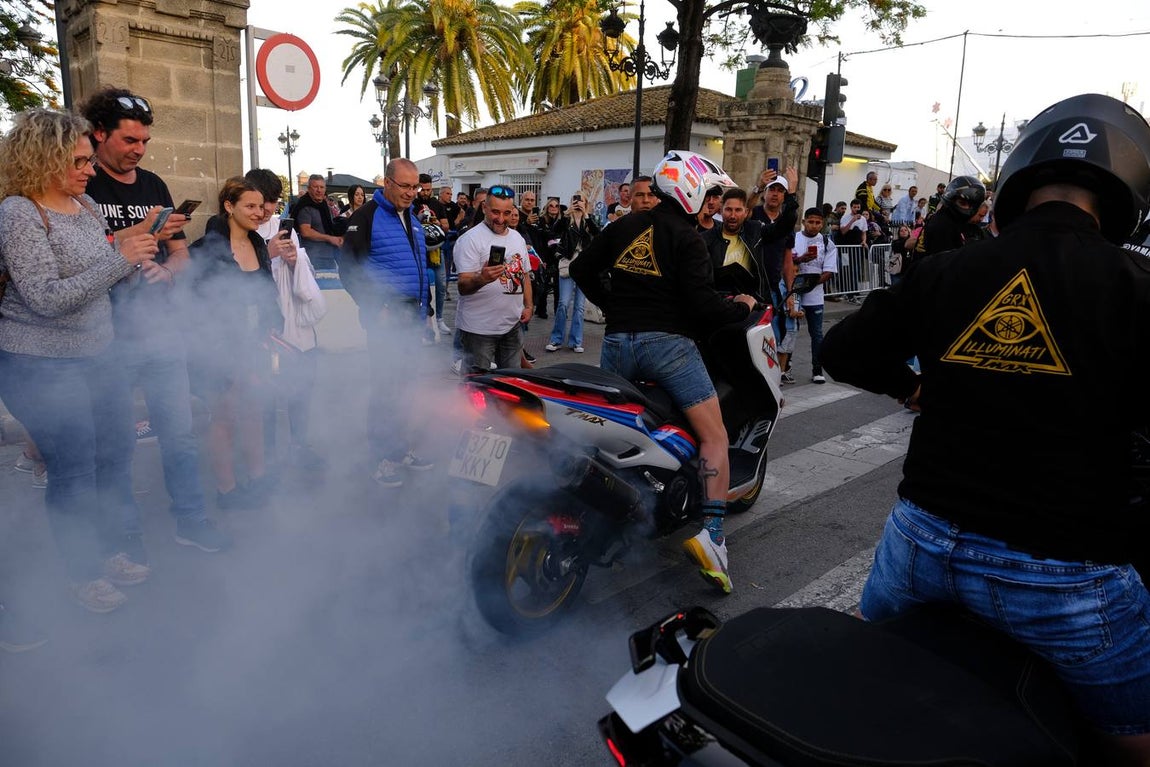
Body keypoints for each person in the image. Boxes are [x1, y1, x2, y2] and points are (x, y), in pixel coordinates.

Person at [821, 93, 1150, 762]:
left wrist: (912, 385)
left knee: (861, 672)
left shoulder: (950, 268)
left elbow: (843, 350)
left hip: (920, 544)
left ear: (1017, 181)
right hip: (1065, 575)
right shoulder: (1135, 282)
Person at [572, 150, 756, 595]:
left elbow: (580, 269)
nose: (712, 202)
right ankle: (712, 536)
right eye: (711, 194)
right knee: (714, 436)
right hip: (668, 348)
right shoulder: (688, 238)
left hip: (617, 346)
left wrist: (614, 306)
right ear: (690, 188)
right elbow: (703, 305)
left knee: (614, 434)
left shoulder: (623, 228)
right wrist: (739, 308)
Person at [0, 108, 159, 612]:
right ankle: (81, 572)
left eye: (90, 160)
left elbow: (103, 279)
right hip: (40, 363)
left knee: (114, 455)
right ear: (43, 159)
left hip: (99, 354)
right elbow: (46, 297)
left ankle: (110, 547)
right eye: (79, 161)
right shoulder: (19, 213)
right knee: (72, 469)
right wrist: (120, 259)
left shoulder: (87, 206)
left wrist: (136, 262)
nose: (91, 171)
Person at [81, 86, 229, 558]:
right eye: (129, 140)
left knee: (180, 435)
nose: (139, 150)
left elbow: (182, 254)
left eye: (144, 141)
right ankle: (123, 538)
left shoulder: (154, 186)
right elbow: (80, 254)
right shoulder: (83, 185)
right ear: (99, 134)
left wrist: (168, 271)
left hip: (160, 333)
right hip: (105, 337)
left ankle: (192, 519)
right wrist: (140, 231)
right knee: (117, 444)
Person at [187, 178, 283, 509]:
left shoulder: (257, 245)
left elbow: (266, 293)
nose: (260, 213)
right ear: (229, 206)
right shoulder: (203, 250)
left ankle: (257, 478)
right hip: (218, 351)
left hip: (254, 346)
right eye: (251, 206)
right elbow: (192, 305)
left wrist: (271, 327)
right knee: (225, 417)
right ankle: (227, 490)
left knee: (254, 411)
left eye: (262, 207)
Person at [339, 158, 434, 488]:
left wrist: (427, 313)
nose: (411, 193)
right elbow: (349, 269)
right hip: (385, 320)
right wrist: (374, 306)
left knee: (407, 389)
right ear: (387, 184)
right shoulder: (366, 217)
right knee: (386, 390)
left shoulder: (414, 219)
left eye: (415, 187)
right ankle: (382, 459)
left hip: (412, 317)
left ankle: (401, 448)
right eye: (405, 186)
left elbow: (421, 269)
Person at [244, 168, 325, 471]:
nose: (268, 211)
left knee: (300, 392)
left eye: (274, 203)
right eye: (263, 203)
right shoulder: (238, 230)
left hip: (296, 329)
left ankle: (299, 448)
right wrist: (268, 253)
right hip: (264, 330)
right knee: (265, 398)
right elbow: (234, 276)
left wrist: (294, 262)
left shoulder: (282, 226)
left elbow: (305, 278)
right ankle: (266, 459)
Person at [454, 184, 533, 371]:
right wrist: (482, 278)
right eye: (495, 212)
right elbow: (462, 286)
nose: (501, 219)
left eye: (507, 213)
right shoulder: (470, 239)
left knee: (511, 385)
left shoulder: (517, 238)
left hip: (512, 326)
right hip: (478, 330)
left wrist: (529, 305)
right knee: (476, 388)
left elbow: (525, 275)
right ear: (484, 208)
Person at [546, 192, 600, 354]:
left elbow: (598, 235)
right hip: (567, 266)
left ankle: (576, 341)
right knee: (563, 303)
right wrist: (568, 213)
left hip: (584, 268)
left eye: (581, 201)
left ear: (586, 203)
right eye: (575, 200)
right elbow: (554, 232)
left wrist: (586, 215)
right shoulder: (565, 220)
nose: (578, 203)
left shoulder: (589, 220)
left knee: (579, 307)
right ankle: (556, 340)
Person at [792, 208, 838, 383]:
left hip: (815, 295)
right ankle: (784, 368)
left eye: (818, 222)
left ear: (822, 224)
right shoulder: (794, 238)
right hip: (793, 293)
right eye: (810, 221)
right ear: (804, 222)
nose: (814, 225)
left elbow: (829, 271)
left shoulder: (827, 243)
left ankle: (817, 370)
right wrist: (800, 259)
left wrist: (810, 284)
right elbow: (787, 262)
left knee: (817, 334)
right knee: (790, 331)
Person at [912, 175, 986, 259]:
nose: (967, 209)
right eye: (962, 203)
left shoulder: (956, 223)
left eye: (971, 205)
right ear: (951, 199)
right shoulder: (942, 224)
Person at [291, 174, 343, 269]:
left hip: (329, 255)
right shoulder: (305, 206)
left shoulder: (324, 205)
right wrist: (330, 238)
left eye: (322, 187)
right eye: (315, 187)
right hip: (313, 257)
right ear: (309, 188)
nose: (319, 190)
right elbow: (305, 232)